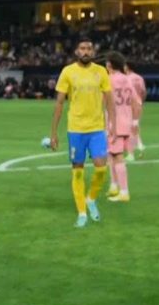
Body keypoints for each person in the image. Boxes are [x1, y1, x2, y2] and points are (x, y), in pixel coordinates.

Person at [50, 40, 116, 228]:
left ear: (93, 51)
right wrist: (54, 132)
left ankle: (91, 198)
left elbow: (110, 100)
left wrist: (113, 124)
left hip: (97, 128)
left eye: (89, 48)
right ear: (76, 51)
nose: (86, 51)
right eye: (82, 48)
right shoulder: (68, 72)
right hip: (76, 129)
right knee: (78, 172)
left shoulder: (101, 71)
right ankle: (81, 213)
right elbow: (60, 103)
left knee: (101, 168)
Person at [105, 51, 140, 203]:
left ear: (109, 64)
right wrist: (134, 121)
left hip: (114, 123)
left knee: (117, 156)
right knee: (112, 154)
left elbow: (102, 100)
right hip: (126, 121)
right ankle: (114, 186)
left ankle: (124, 191)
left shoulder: (109, 80)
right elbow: (136, 102)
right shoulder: (127, 79)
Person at [124, 61, 147, 161]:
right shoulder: (139, 78)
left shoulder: (126, 78)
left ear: (127, 67)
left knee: (130, 129)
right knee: (135, 126)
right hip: (138, 103)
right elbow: (143, 91)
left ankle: (131, 153)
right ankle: (140, 146)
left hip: (129, 104)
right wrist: (141, 101)